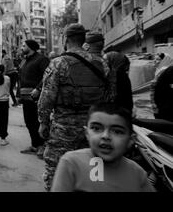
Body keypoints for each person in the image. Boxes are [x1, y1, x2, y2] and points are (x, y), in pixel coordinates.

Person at [38, 24, 112, 191]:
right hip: (94, 129)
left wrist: (43, 123)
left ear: (66, 39)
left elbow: (46, 99)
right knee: (94, 175)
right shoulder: (102, 63)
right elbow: (110, 98)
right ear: (83, 39)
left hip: (64, 130)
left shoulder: (58, 63)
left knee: (56, 174)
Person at [51, 103, 155, 192]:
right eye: (96, 128)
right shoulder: (71, 163)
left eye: (117, 131)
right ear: (87, 133)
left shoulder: (137, 174)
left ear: (131, 140)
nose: (105, 136)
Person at [18, 40, 50, 157]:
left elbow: (48, 75)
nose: (22, 48)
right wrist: (18, 95)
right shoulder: (25, 60)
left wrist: (38, 88)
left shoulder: (41, 59)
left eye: (24, 46)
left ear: (30, 47)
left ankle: (42, 146)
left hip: (37, 98)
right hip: (25, 97)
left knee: (38, 123)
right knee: (29, 122)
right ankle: (35, 145)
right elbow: (20, 77)